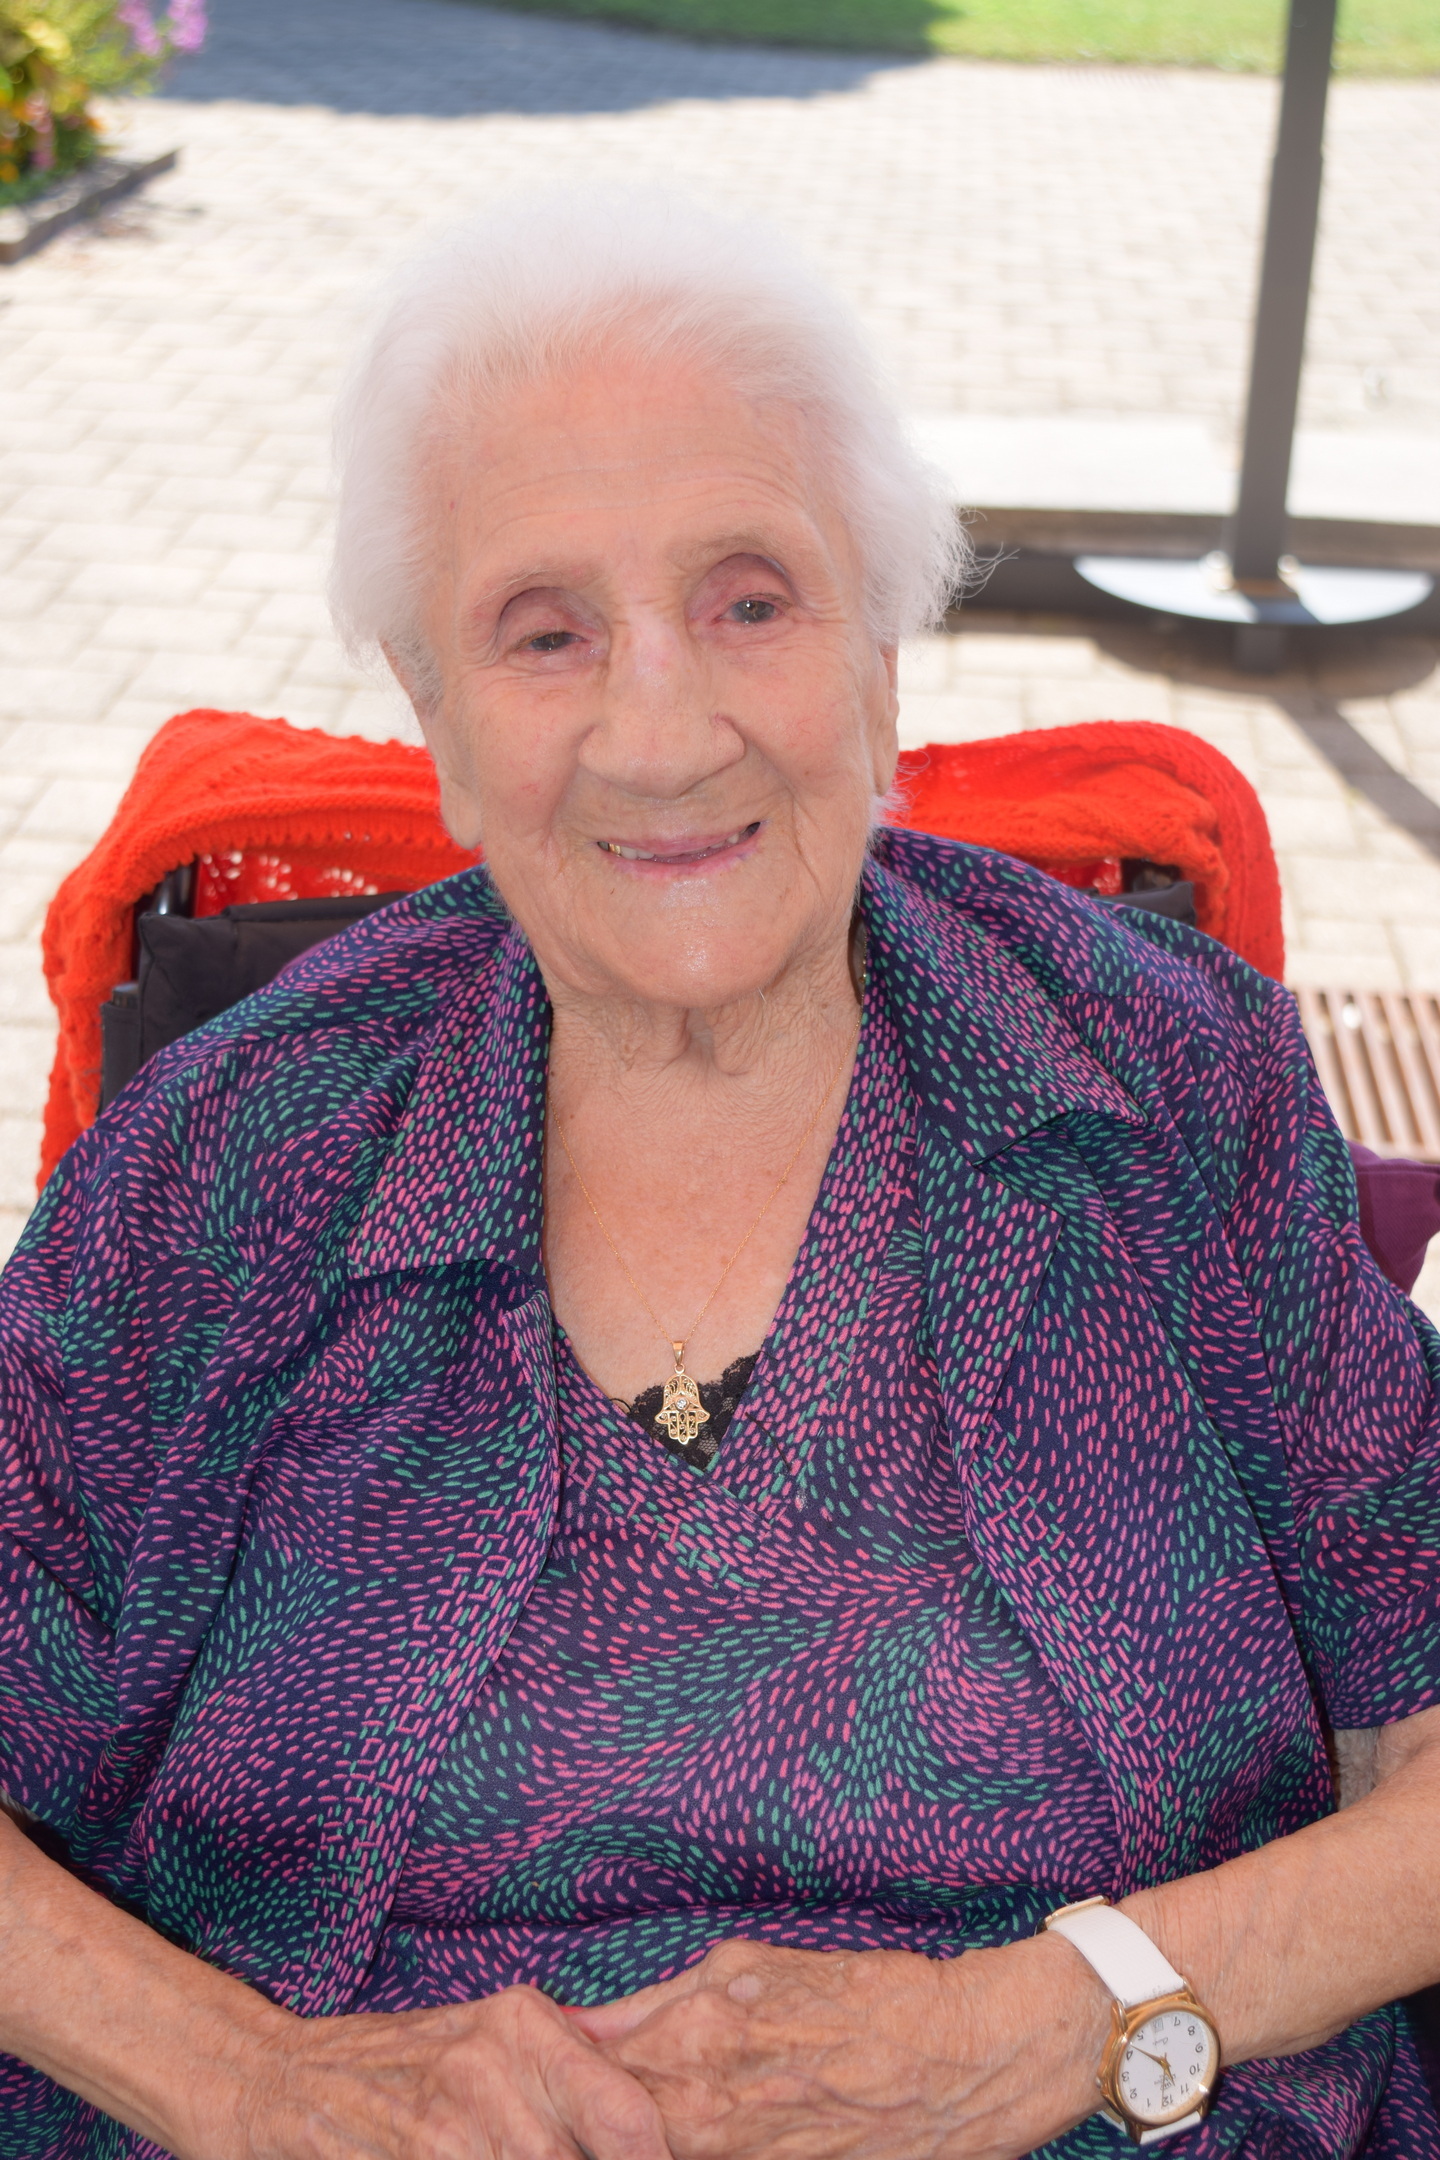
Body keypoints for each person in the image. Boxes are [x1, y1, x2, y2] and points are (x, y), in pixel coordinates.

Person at [0, 192, 1438, 2160]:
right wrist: (258, 2086)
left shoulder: (1165, 1087)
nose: (661, 731)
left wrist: (1058, 2018)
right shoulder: (229, 1166)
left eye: (751, 601)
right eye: (546, 633)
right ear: (437, 723)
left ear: (881, 660)